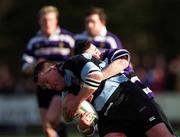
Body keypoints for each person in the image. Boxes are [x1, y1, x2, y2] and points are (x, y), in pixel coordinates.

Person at [33, 52, 176, 137]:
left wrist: (77, 100)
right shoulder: (66, 93)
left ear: (52, 69)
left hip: (127, 98)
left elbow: (95, 76)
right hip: (107, 118)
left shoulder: (74, 62)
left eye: (46, 81)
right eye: (44, 87)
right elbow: (85, 128)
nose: (49, 87)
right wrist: (84, 126)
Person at [21, 5, 75, 137]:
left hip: (60, 86)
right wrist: (35, 65)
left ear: (56, 20)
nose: (47, 23)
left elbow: (77, 60)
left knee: (51, 119)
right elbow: (25, 66)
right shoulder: (34, 42)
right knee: (47, 129)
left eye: (50, 19)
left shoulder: (67, 38)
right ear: (39, 21)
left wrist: (54, 66)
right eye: (44, 20)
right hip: (42, 88)